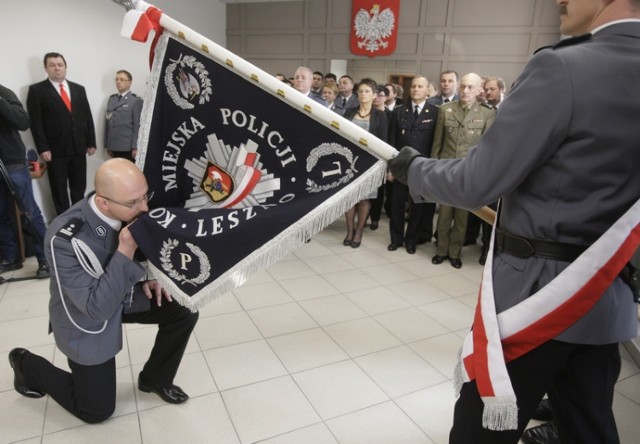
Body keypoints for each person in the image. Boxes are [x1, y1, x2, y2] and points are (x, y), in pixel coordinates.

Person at [388, 0, 640, 441]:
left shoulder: (565, 68)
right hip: (605, 296)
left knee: (479, 431)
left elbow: (475, 182)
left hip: (539, 299)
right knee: (589, 427)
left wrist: (412, 169)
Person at [8, 158, 199, 423]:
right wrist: (126, 248)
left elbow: (146, 255)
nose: (145, 207)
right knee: (96, 411)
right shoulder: (64, 237)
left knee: (182, 310)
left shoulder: (132, 206)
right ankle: (25, 363)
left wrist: (149, 278)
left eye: (146, 196)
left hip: (122, 294)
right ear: (103, 203)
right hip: (87, 312)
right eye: (134, 203)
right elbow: (95, 308)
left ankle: (155, 378)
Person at [430, 73, 495, 268]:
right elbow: (437, 143)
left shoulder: (486, 113)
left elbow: (487, 147)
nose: (465, 91)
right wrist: (434, 168)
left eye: (470, 87)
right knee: (444, 214)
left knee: (462, 216)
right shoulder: (446, 110)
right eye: (463, 87)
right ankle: (441, 250)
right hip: (446, 171)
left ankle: (455, 253)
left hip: (469, 172)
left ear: (478, 90)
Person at [27, 52, 96, 216]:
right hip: (55, 150)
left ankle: (80, 217)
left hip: (79, 147)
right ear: (46, 68)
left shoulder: (79, 89)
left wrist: (91, 141)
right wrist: (43, 148)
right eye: (52, 65)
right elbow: (36, 123)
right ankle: (64, 222)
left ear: (65, 67)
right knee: (59, 190)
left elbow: (87, 116)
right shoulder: (37, 90)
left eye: (60, 65)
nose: (57, 68)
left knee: (79, 187)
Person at [0, 84, 49, 278]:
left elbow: (23, 122)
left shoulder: (4, 92)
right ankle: (10, 258)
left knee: (29, 212)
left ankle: (45, 259)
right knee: (1, 214)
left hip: (12, 162)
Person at [387, 76, 439, 254]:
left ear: (427, 91)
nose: (416, 89)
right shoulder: (399, 112)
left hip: (422, 167)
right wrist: (390, 168)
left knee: (418, 205)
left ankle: (411, 239)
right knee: (397, 204)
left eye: (420, 86)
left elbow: (435, 143)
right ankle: (396, 239)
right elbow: (392, 142)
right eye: (414, 86)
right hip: (400, 166)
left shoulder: (435, 113)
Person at [342, 78, 387, 248]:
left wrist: (383, 166)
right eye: (360, 91)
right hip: (349, 160)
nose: (363, 94)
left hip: (370, 163)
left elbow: (384, 142)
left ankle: (359, 231)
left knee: (364, 199)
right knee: (349, 198)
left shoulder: (380, 116)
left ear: (374, 95)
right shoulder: (349, 112)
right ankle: (349, 230)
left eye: (367, 91)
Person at [105, 70, 143, 162]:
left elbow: (137, 126)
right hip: (113, 146)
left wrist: (135, 147)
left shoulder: (135, 101)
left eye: (122, 79)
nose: (118, 82)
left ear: (130, 82)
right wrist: (107, 144)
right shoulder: (112, 99)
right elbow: (108, 123)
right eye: (117, 79)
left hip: (127, 147)